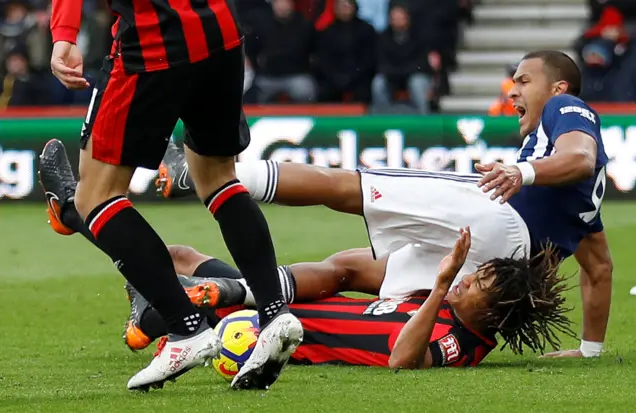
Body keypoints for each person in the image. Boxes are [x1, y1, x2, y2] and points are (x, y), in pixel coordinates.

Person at [157, 50, 613, 360]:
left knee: (344, 186)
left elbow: (578, 157)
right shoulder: (579, 200)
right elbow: (600, 267)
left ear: (558, 88)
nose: (512, 91)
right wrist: (589, 351)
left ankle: (210, 175)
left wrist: (522, 172)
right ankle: (237, 293)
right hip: (501, 263)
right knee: (350, 269)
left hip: (497, 219)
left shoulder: (567, 107)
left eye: (523, 81)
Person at [44, 0, 302, 391]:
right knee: (218, 178)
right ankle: (273, 311)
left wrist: (64, 33)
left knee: (94, 196)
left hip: (153, 41)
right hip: (221, 33)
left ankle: (187, 328)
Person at [123, 229, 576, 369]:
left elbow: (403, 361)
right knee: (180, 255)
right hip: (274, 301)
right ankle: (81, 216)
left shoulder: (462, 343)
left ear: (494, 313)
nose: (465, 281)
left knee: (174, 284)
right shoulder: (431, 299)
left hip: (264, 327)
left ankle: (151, 314)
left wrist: (439, 289)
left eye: (478, 285)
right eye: (475, 275)